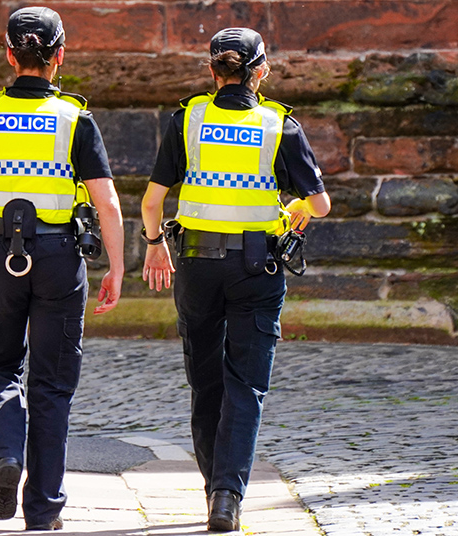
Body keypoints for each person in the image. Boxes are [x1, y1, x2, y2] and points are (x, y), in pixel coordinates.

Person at [0, 6, 124, 531]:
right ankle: (44, 511)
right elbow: (108, 206)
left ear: (10, 56)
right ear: (59, 57)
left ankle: (6, 454)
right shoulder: (77, 120)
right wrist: (117, 268)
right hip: (58, 258)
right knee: (52, 387)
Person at [140, 27, 331, 532]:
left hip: (198, 266)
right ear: (261, 71)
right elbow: (319, 204)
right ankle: (227, 496)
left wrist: (155, 246)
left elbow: (153, 201)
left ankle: (214, 488)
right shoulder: (278, 124)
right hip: (256, 267)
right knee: (245, 386)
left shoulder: (188, 118)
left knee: (206, 383)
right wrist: (290, 209)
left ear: (212, 71)